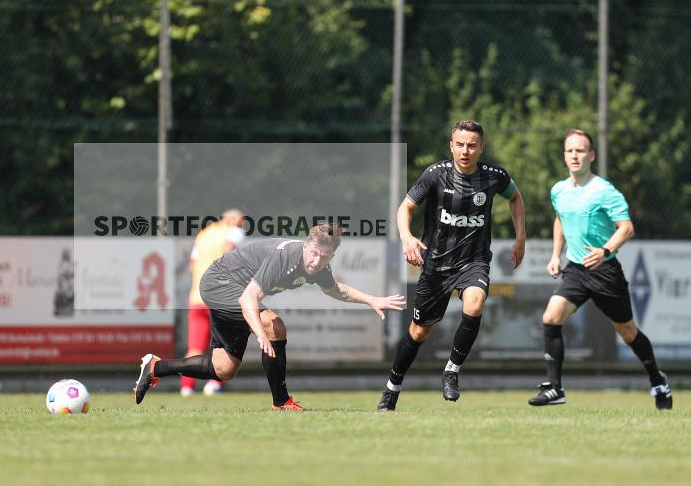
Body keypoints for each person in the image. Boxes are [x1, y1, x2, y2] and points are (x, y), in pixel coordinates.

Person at [134, 223, 406, 410]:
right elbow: (247, 298)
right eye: (313, 254)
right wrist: (261, 332)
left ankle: (156, 367)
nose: (315, 262)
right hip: (220, 283)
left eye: (323, 257)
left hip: (232, 290)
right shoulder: (287, 257)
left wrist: (372, 299)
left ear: (331, 255)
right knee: (274, 324)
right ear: (306, 246)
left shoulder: (320, 266)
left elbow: (336, 290)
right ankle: (282, 402)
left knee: (223, 369)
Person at [377, 119, 526, 411]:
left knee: (475, 303)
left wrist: (520, 237)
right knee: (419, 331)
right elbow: (405, 207)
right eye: (460, 144)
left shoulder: (494, 177)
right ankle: (392, 388)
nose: (465, 151)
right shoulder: (436, 174)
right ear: (451, 146)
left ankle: (451, 371)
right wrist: (406, 238)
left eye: (472, 145)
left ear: (481, 148)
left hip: (474, 260)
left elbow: (516, 198)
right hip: (436, 264)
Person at [528, 129, 671, 410]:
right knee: (551, 317)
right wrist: (555, 254)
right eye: (570, 150)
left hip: (605, 271)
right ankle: (555, 388)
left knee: (628, 332)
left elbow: (626, 228)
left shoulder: (605, 191)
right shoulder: (559, 190)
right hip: (576, 270)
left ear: (591, 155)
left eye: (580, 150)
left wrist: (605, 250)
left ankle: (658, 380)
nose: (574, 155)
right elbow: (560, 219)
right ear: (564, 156)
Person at [182, 209, 245, 397]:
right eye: (241, 221)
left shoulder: (204, 234)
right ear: (233, 220)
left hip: (197, 298)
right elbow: (228, 252)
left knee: (195, 346)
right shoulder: (234, 231)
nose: (243, 225)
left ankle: (187, 386)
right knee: (225, 344)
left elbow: (192, 266)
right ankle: (214, 385)